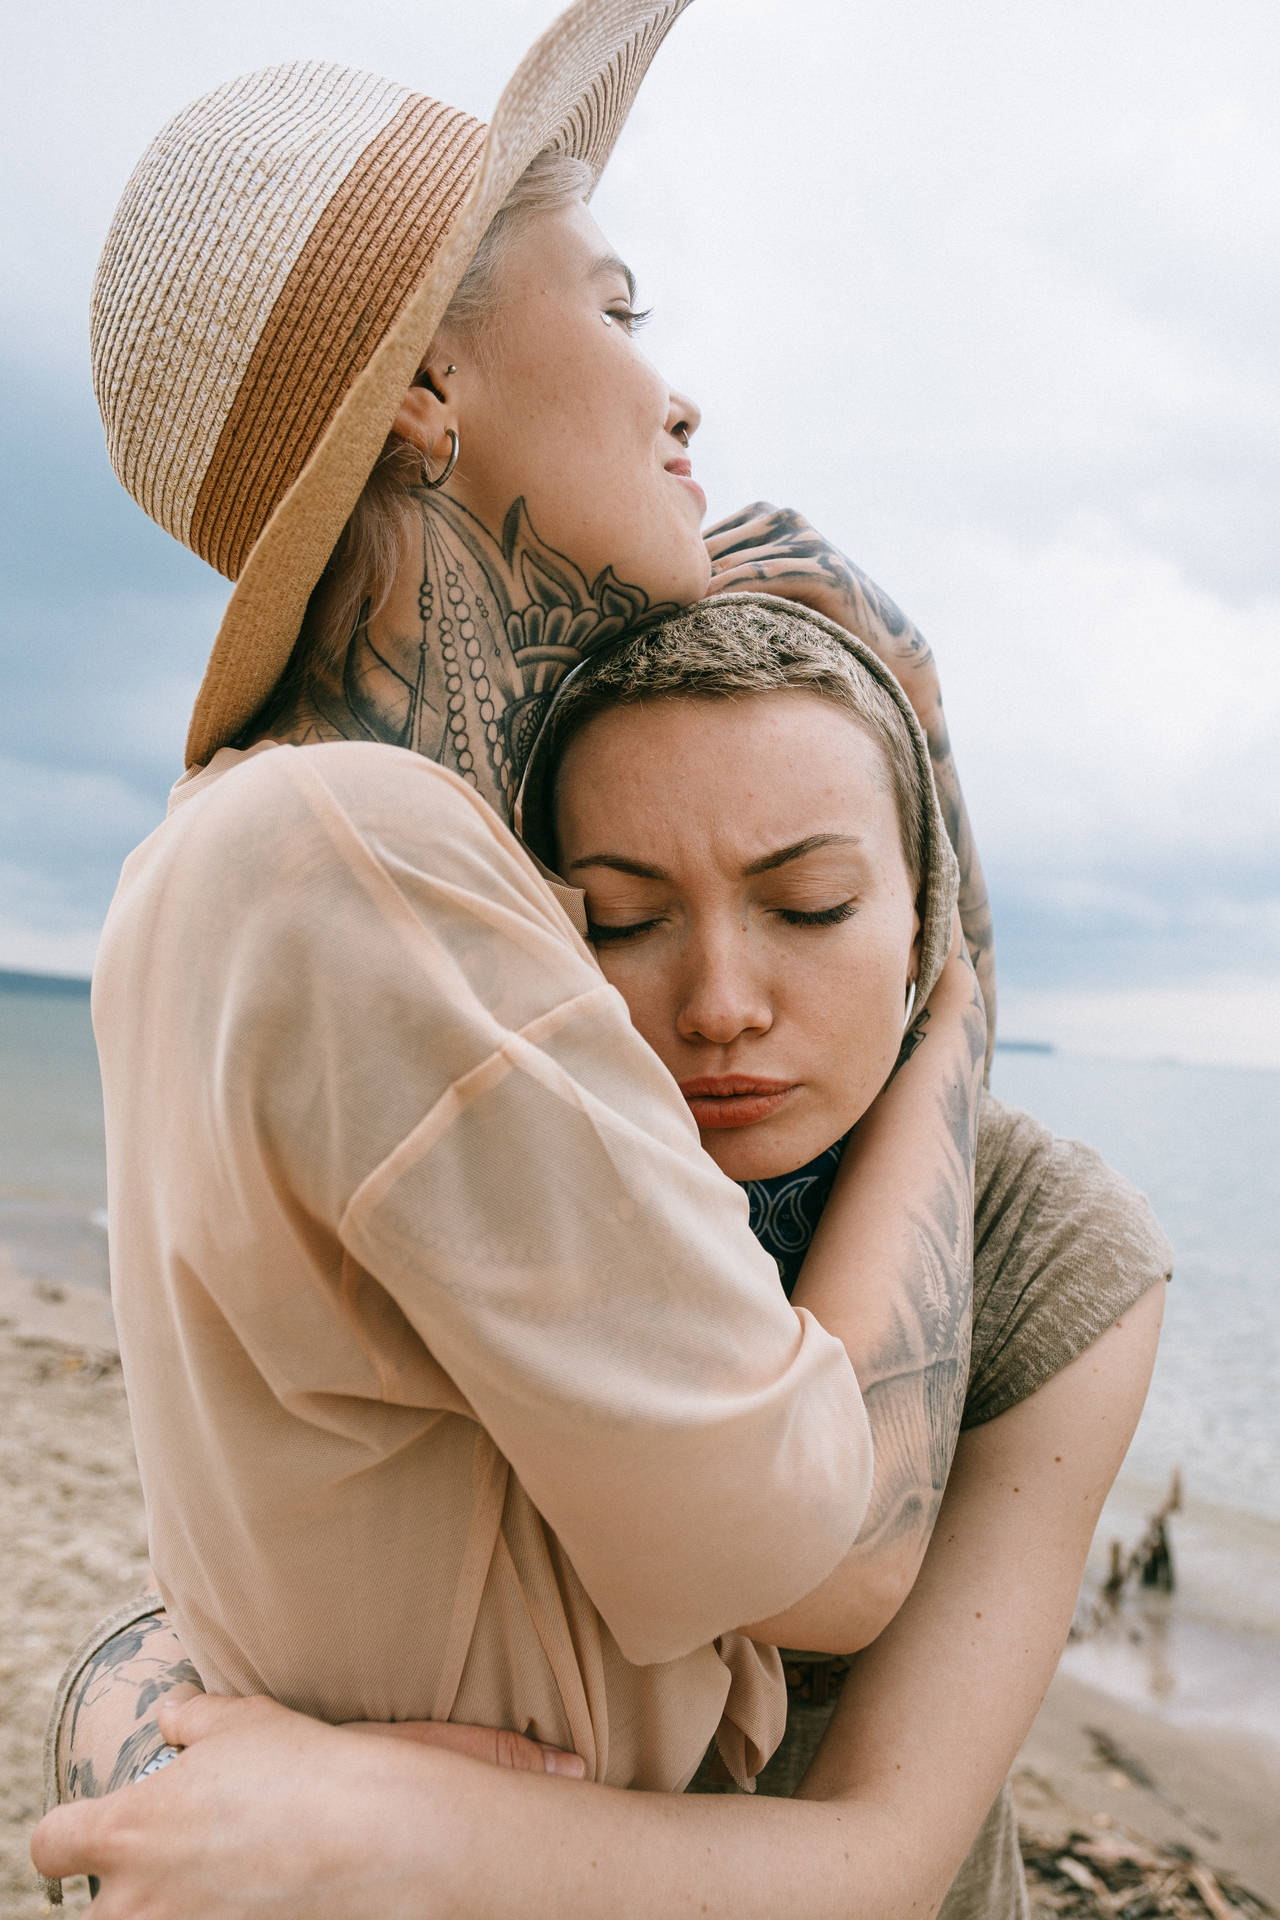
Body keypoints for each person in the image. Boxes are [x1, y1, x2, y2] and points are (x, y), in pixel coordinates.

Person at [33, 2, 1169, 1910]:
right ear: (422, 391)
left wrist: (171, 1703)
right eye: (620, 307)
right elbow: (830, 1549)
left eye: (815, 904)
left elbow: (315, 1483)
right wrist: (969, 1004)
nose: (678, 394)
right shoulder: (355, 852)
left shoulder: (266, 862)